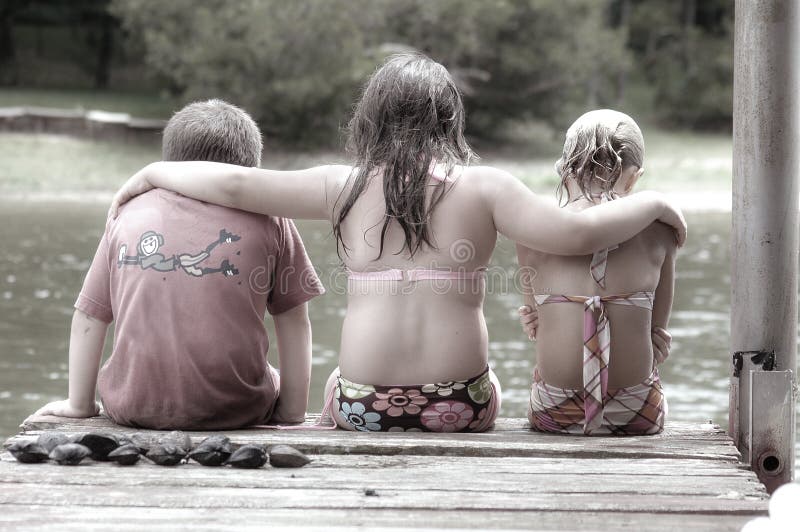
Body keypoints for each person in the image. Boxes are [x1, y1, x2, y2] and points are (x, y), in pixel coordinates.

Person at [109, 53, 686, 433]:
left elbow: (236, 183)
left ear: (370, 119)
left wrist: (152, 174)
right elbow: (580, 232)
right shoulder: (486, 187)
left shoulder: (343, 185)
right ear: (450, 122)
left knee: (335, 382)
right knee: (501, 387)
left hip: (362, 407)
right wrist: (656, 203)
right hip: (460, 406)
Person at [32, 99, 324, 429]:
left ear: (170, 164)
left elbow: (90, 314)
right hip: (236, 408)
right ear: (251, 173)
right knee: (272, 376)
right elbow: (294, 318)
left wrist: (79, 404)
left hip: (132, 406)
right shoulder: (271, 217)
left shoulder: (128, 211)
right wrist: (292, 412)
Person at [516, 109, 675, 436]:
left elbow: (534, 323)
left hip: (554, 411)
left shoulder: (533, 233)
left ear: (565, 170)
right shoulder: (660, 235)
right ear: (634, 178)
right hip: (636, 412)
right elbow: (657, 335)